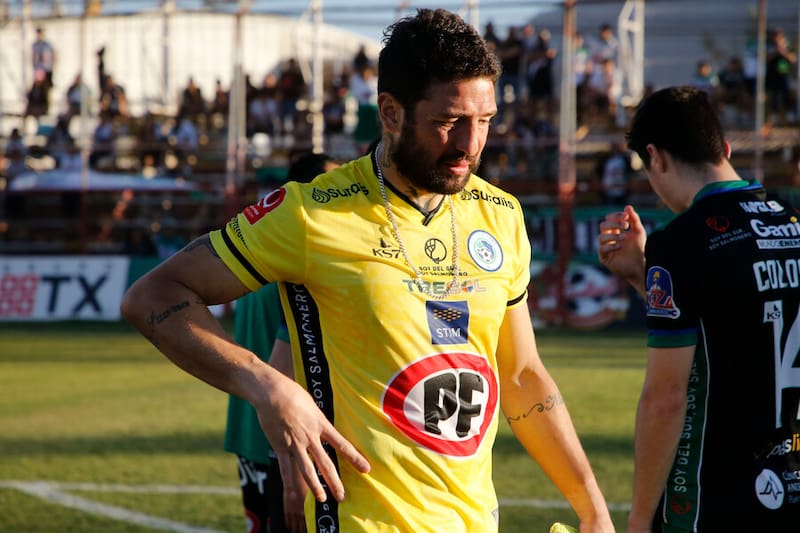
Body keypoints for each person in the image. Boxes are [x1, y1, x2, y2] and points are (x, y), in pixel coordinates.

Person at [121, 9, 614, 533]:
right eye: (449, 122)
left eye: (485, 121)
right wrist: (266, 386)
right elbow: (153, 296)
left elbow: (521, 375)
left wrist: (593, 508)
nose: (470, 145)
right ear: (391, 112)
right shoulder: (313, 213)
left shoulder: (502, 216)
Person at [597, 86, 800, 532]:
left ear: (656, 157)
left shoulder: (682, 242)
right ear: (724, 148)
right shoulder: (792, 222)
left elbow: (666, 400)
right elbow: (728, 327)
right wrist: (642, 276)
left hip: (719, 499)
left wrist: (638, 518)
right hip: (791, 485)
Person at [225, 152, 339, 533]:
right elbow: (283, 364)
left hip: (248, 430)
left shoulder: (258, 253)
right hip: (287, 441)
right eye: (333, 185)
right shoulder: (303, 262)